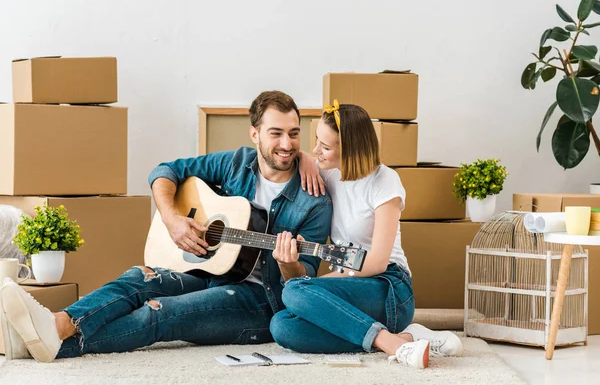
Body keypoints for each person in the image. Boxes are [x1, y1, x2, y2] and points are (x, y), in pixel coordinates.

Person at [0, 90, 332, 362]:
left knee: (159, 312)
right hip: (208, 271)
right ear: (255, 133)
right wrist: (173, 221)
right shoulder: (237, 163)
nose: (287, 144)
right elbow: (164, 171)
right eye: (276, 133)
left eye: (293, 133)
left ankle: (45, 341)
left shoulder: (314, 200)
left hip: (259, 299)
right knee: (137, 278)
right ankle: (59, 324)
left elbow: (304, 281)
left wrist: (288, 262)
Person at [269, 101, 463, 369]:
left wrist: (319, 286)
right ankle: (405, 338)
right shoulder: (328, 172)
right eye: (316, 141)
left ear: (349, 149)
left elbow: (377, 262)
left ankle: (391, 343)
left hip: (390, 286)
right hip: (352, 290)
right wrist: (304, 159)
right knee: (281, 326)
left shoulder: (385, 182)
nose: (316, 150)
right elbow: (303, 155)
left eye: (325, 146)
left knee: (294, 291)